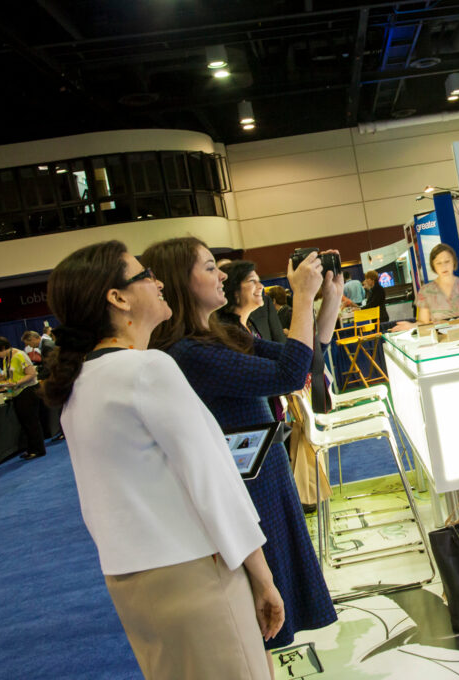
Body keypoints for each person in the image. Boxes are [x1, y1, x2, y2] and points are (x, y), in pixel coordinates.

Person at [42, 240, 283, 679]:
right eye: (144, 275)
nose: (157, 283)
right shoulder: (146, 369)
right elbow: (213, 482)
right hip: (193, 575)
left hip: (134, 583)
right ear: (117, 298)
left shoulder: (82, 383)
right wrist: (263, 577)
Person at [141, 237, 337, 662]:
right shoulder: (189, 353)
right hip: (246, 489)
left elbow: (303, 357)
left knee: (269, 617)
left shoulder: (216, 335)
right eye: (211, 267)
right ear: (181, 280)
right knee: (258, 623)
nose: (223, 276)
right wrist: (302, 296)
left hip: (262, 476)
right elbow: (289, 373)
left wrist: (328, 299)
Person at [392, 244, 459, 332]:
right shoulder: (426, 291)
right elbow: (423, 322)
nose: (443, 266)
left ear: (454, 261)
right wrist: (411, 326)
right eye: (438, 263)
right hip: (442, 341)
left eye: (447, 261)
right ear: (433, 265)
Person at [0, 336, 47, 461]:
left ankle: (39, 449)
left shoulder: (20, 355)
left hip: (28, 391)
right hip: (17, 393)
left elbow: (32, 374)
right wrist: (0, 378)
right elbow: (10, 374)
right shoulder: (6, 358)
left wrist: (17, 383)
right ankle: (31, 448)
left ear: (4, 348)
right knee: (24, 423)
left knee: (31, 422)